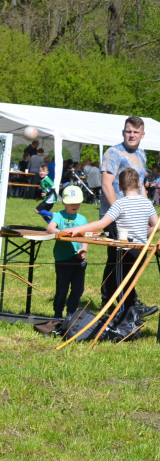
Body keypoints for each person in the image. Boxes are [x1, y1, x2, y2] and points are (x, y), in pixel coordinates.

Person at [61, 168, 157, 315]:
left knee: (121, 284)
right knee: (128, 281)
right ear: (139, 184)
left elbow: (101, 224)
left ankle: (125, 317)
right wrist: (144, 233)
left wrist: (77, 229)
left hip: (124, 250)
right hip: (142, 251)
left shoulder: (120, 204)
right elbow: (156, 225)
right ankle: (130, 313)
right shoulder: (147, 203)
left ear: (119, 186)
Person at [98, 116, 154, 319]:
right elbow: (106, 184)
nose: (131, 135)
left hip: (136, 217)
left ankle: (127, 302)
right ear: (123, 132)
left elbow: (141, 187)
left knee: (132, 259)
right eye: (128, 131)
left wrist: (147, 214)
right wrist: (118, 214)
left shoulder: (141, 154)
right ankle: (113, 303)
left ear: (142, 135)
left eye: (135, 132)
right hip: (114, 216)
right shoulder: (113, 153)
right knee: (117, 259)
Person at [46, 186, 88, 320]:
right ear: (64, 202)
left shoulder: (82, 219)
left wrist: (84, 249)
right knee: (62, 289)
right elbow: (50, 227)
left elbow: (85, 237)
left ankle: (71, 313)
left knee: (78, 289)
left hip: (79, 259)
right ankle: (57, 313)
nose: (74, 205)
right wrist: (59, 232)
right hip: (63, 258)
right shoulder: (59, 215)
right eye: (70, 203)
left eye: (77, 202)